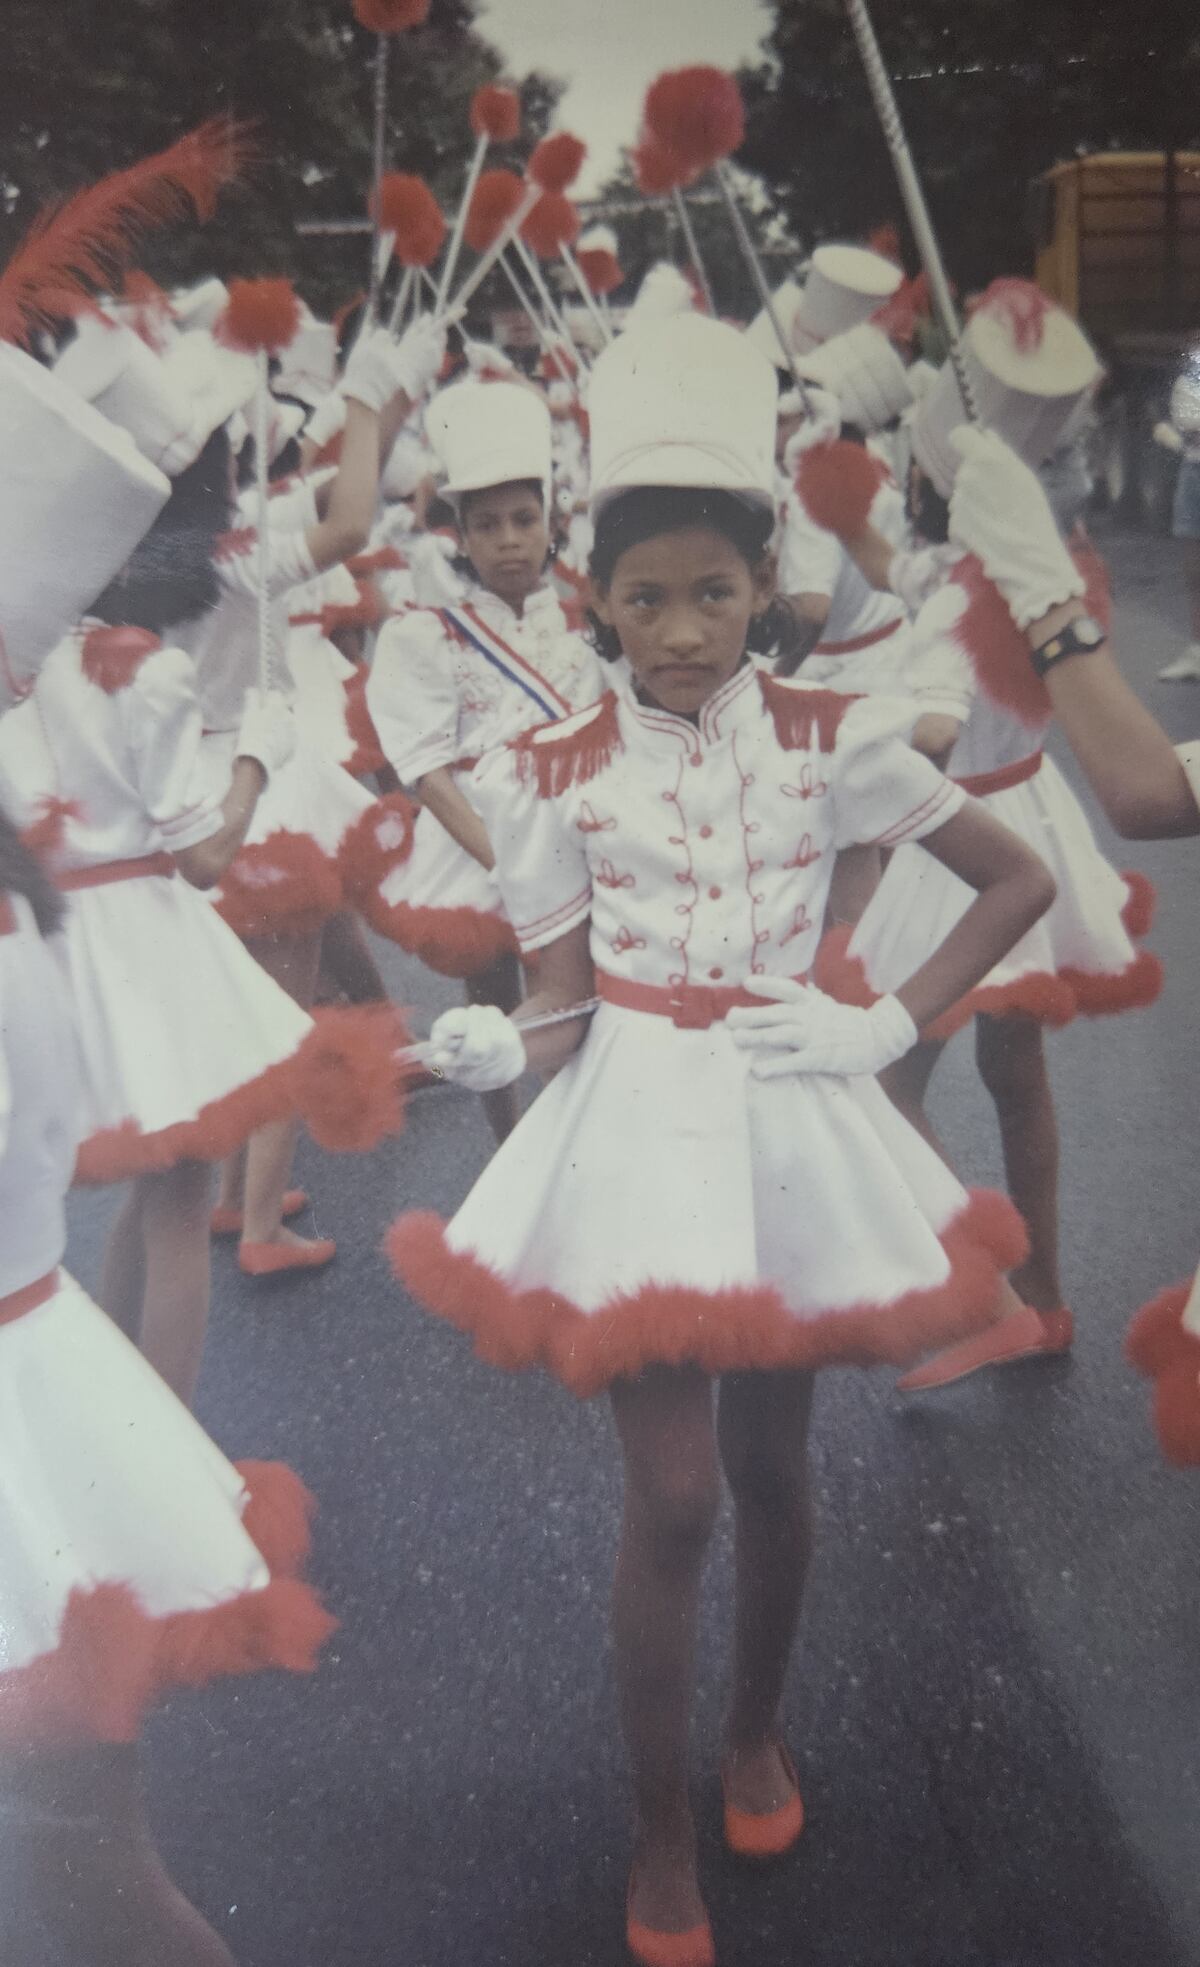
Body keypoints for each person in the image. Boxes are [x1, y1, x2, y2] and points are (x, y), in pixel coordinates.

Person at [387, 316, 1054, 1967]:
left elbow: (1017, 879)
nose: (680, 632)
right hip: (633, 1125)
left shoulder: (831, 736)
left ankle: (756, 1728)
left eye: (714, 592)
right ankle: (660, 1819)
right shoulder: (552, 766)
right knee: (674, 1493)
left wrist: (888, 1023)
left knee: (771, 1467)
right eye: (643, 598)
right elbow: (552, 992)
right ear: (592, 602)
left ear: (765, 583)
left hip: (785, 1108)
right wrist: (504, 1059)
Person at [799, 282, 1163, 1390]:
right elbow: (885, 563)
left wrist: (835, 721)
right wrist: (837, 474)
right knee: (1016, 1074)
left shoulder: (961, 607)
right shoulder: (1005, 572)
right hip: (1034, 813)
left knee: (890, 1089)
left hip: (969, 848)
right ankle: (1046, 1294)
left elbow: (942, 718)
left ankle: (995, 1299)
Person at [944, 422, 1200, 1463]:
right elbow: (1151, 780)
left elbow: (1142, 792)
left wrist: (1044, 590)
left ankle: (1014, 1292)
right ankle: (1027, 1291)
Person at [367, 377, 603, 1142]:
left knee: (571, 997)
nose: (509, 539)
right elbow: (427, 772)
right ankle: (511, 1141)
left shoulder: (584, 620)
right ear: (461, 535)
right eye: (489, 524)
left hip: (576, 827)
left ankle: (572, 1136)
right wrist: (504, 859)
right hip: (483, 840)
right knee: (493, 1003)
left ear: (550, 524)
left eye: (524, 520)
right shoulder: (429, 634)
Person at [1155, 346, 1200, 682]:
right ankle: (1198, 652)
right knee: (1195, 571)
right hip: (1195, 472)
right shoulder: (1195, 367)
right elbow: (1186, 417)